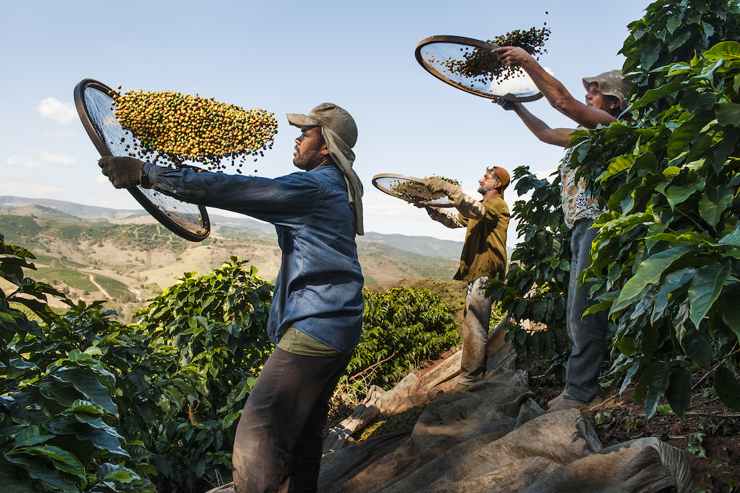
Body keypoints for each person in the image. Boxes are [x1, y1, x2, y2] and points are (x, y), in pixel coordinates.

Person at [99, 103, 364, 493]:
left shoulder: (313, 188)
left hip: (317, 327)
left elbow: (236, 190)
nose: (298, 138)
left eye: (306, 133)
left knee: (260, 432)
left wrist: (148, 173)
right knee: (304, 432)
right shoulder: (333, 187)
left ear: (326, 147)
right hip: (340, 323)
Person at [494, 46, 630, 411]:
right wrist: (518, 107)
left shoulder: (615, 129)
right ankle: (581, 385)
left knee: (583, 308)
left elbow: (564, 104)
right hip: (581, 228)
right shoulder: (590, 136)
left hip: (600, 225)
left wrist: (525, 60)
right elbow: (546, 132)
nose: (587, 94)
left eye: (596, 91)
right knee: (580, 307)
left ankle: (580, 391)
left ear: (614, 103)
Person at [423, 167, 510, 386]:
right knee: (472, 322)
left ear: (497, 184)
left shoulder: (497, 205)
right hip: (478, 271)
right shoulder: (481, 208)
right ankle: (471, 373)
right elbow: (456, 219)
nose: (481, 179)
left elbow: (474, 210)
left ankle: (470, 377)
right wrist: (431, 208)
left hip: (487, 272)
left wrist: (447, 187)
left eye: (487, 177)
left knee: (476, 324)